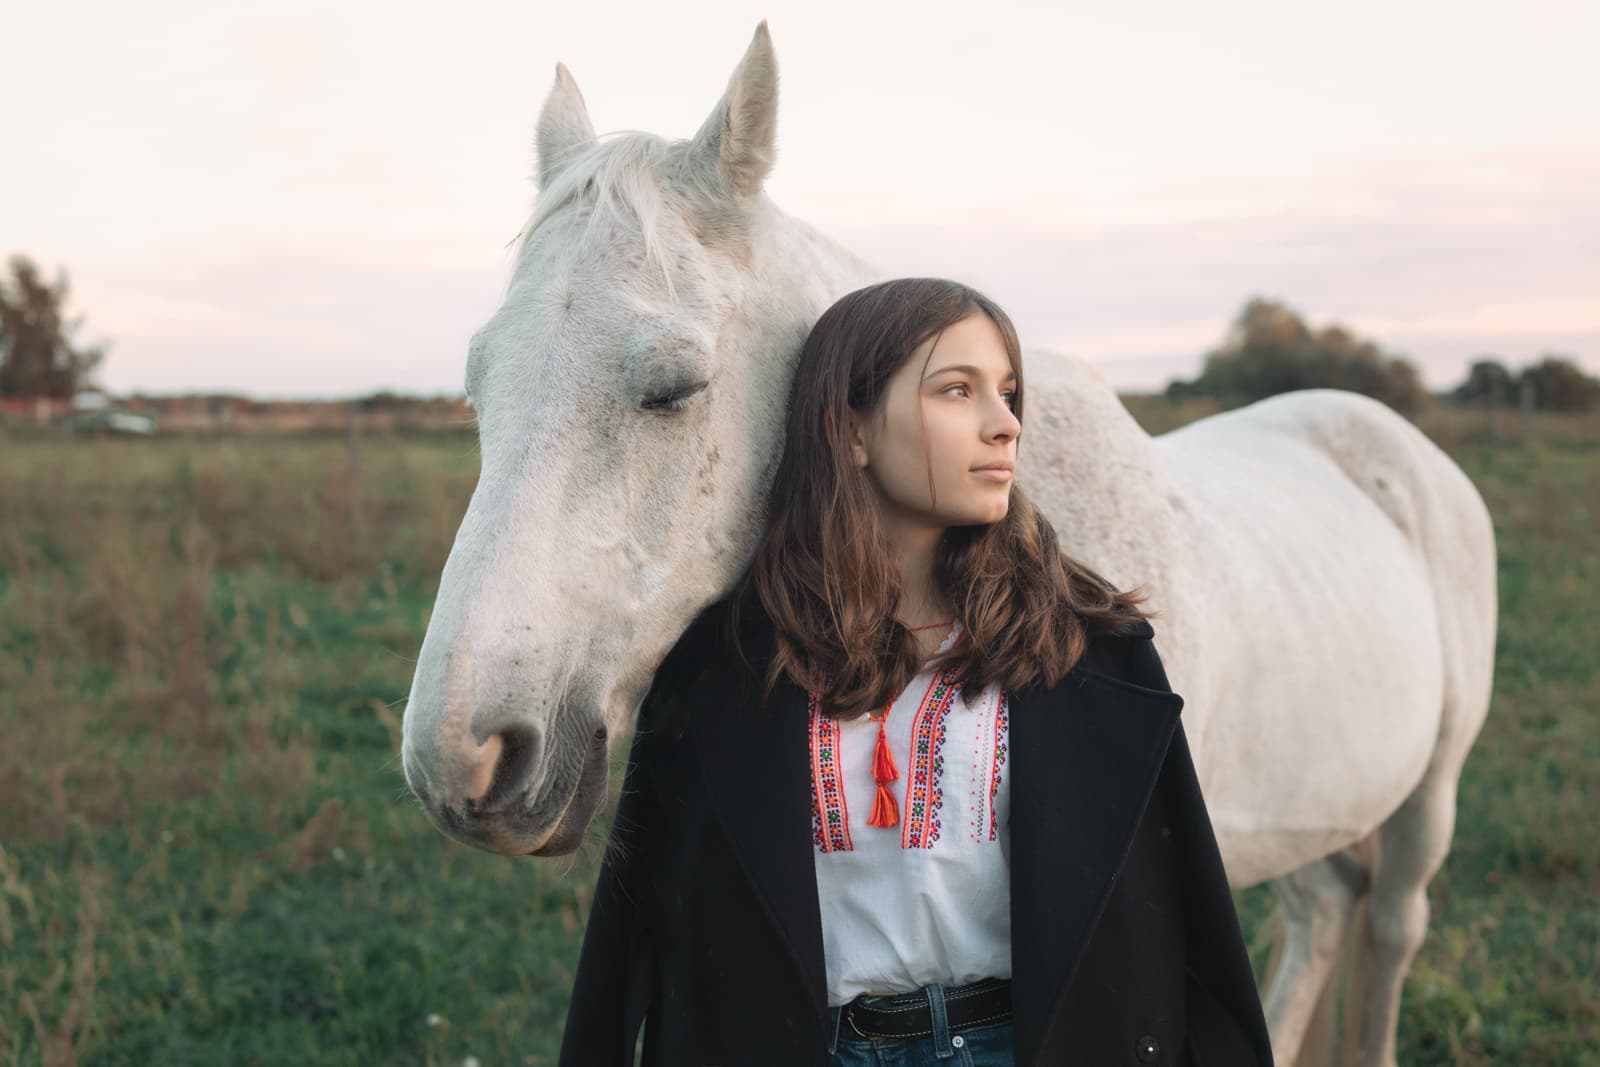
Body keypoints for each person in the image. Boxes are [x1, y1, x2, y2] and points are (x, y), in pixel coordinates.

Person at [557, 278, 1273, 1066]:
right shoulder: (720, 670)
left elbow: (1193, 926)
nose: (1005, 425)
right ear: (850, 430)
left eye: (1008, 393)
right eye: (957, 391)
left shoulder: (1089, 648)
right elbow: (632, 946)